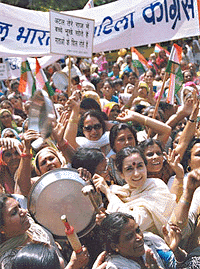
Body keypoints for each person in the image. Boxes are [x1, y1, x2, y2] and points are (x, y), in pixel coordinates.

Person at [93, 146, 176, 238]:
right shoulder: (120, 193)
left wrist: (108, 192)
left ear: (146, 166)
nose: (136, 173)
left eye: (140, 166)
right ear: (121, 174)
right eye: (129, 169)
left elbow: (134, 223)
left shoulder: (157, 187)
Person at [0, 193, 89, 269]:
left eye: (19, 206)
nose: (23, 211)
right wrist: (72, 266)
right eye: (14, 212)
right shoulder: (9, 261)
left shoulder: (28, 225)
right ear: (2, 229)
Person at [99, 212, 185, 269]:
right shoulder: (115, 266)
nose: (139, 237)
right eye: (129, 237)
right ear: (114, 246)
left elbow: (178, 265)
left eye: (137, 230)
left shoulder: (149, 241)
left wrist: (175, 250)